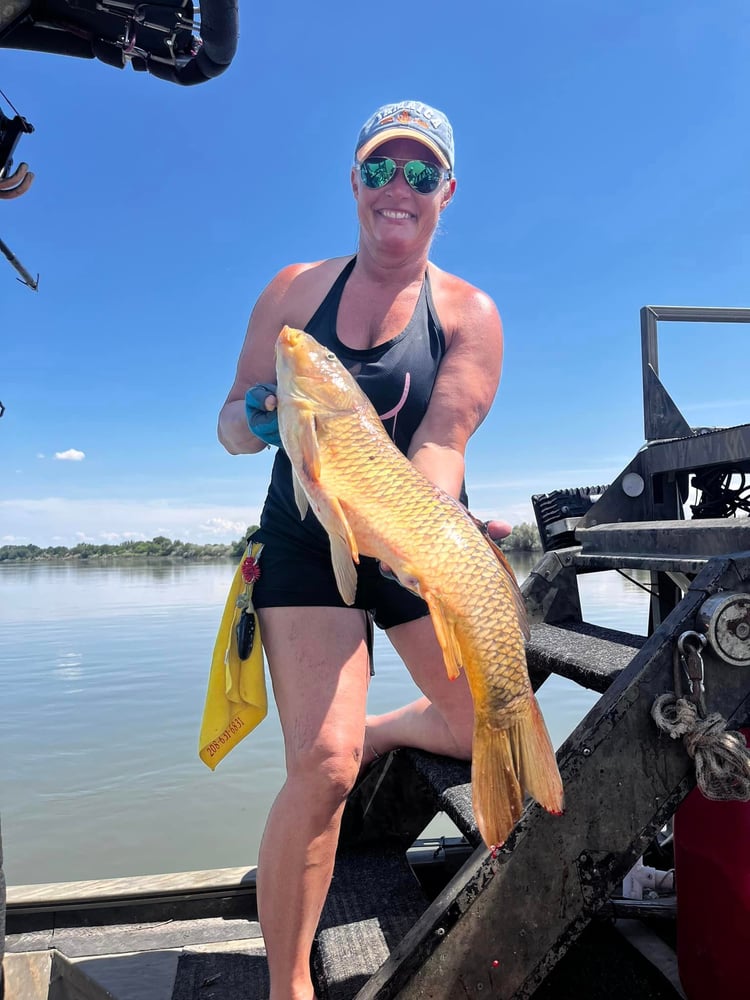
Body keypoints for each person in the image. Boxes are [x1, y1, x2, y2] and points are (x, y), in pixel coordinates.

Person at [218, 100, 508, 1000]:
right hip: (307, 540)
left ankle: (377, 728)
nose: (399, 188)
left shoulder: (470, 314)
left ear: (446, 193)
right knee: (324, 766)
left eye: (422, 175)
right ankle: (288, 984)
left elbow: (444, 444)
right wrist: (260, 419)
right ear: (354, 180)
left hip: (409, 527)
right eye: (381, 168)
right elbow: (229, 423)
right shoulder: (296, 292)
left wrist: (433, 527)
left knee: (484, 724)